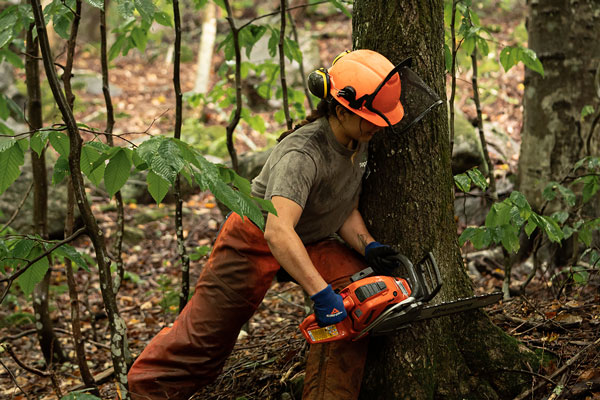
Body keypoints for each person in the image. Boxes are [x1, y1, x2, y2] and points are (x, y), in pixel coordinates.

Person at [127, 49, 407, 400]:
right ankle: (147, 389)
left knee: (362, 303)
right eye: (371, 119)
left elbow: (341, 203)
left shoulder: (357, 139)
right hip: (255, 238)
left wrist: (368, 245)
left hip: (311, 239)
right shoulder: (302, 155)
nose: (378, 126)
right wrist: (321, 294)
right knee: (206, 339)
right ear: (340, 109)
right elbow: (278, 230)